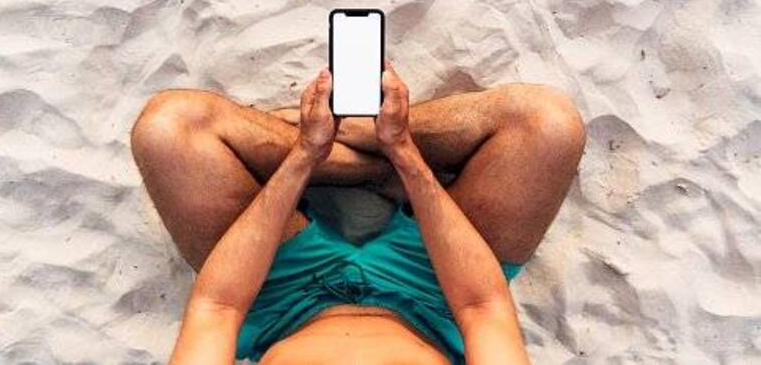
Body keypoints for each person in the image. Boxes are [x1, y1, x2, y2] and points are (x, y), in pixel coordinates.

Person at [130, 61, 585, 364]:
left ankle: (333, 154)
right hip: (437, 298)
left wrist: (304, 157)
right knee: (546, 125)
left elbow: (219, 307)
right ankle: (373, 149)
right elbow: (482, 307)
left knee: (169, 128)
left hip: (278, 299)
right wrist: (403, 153)